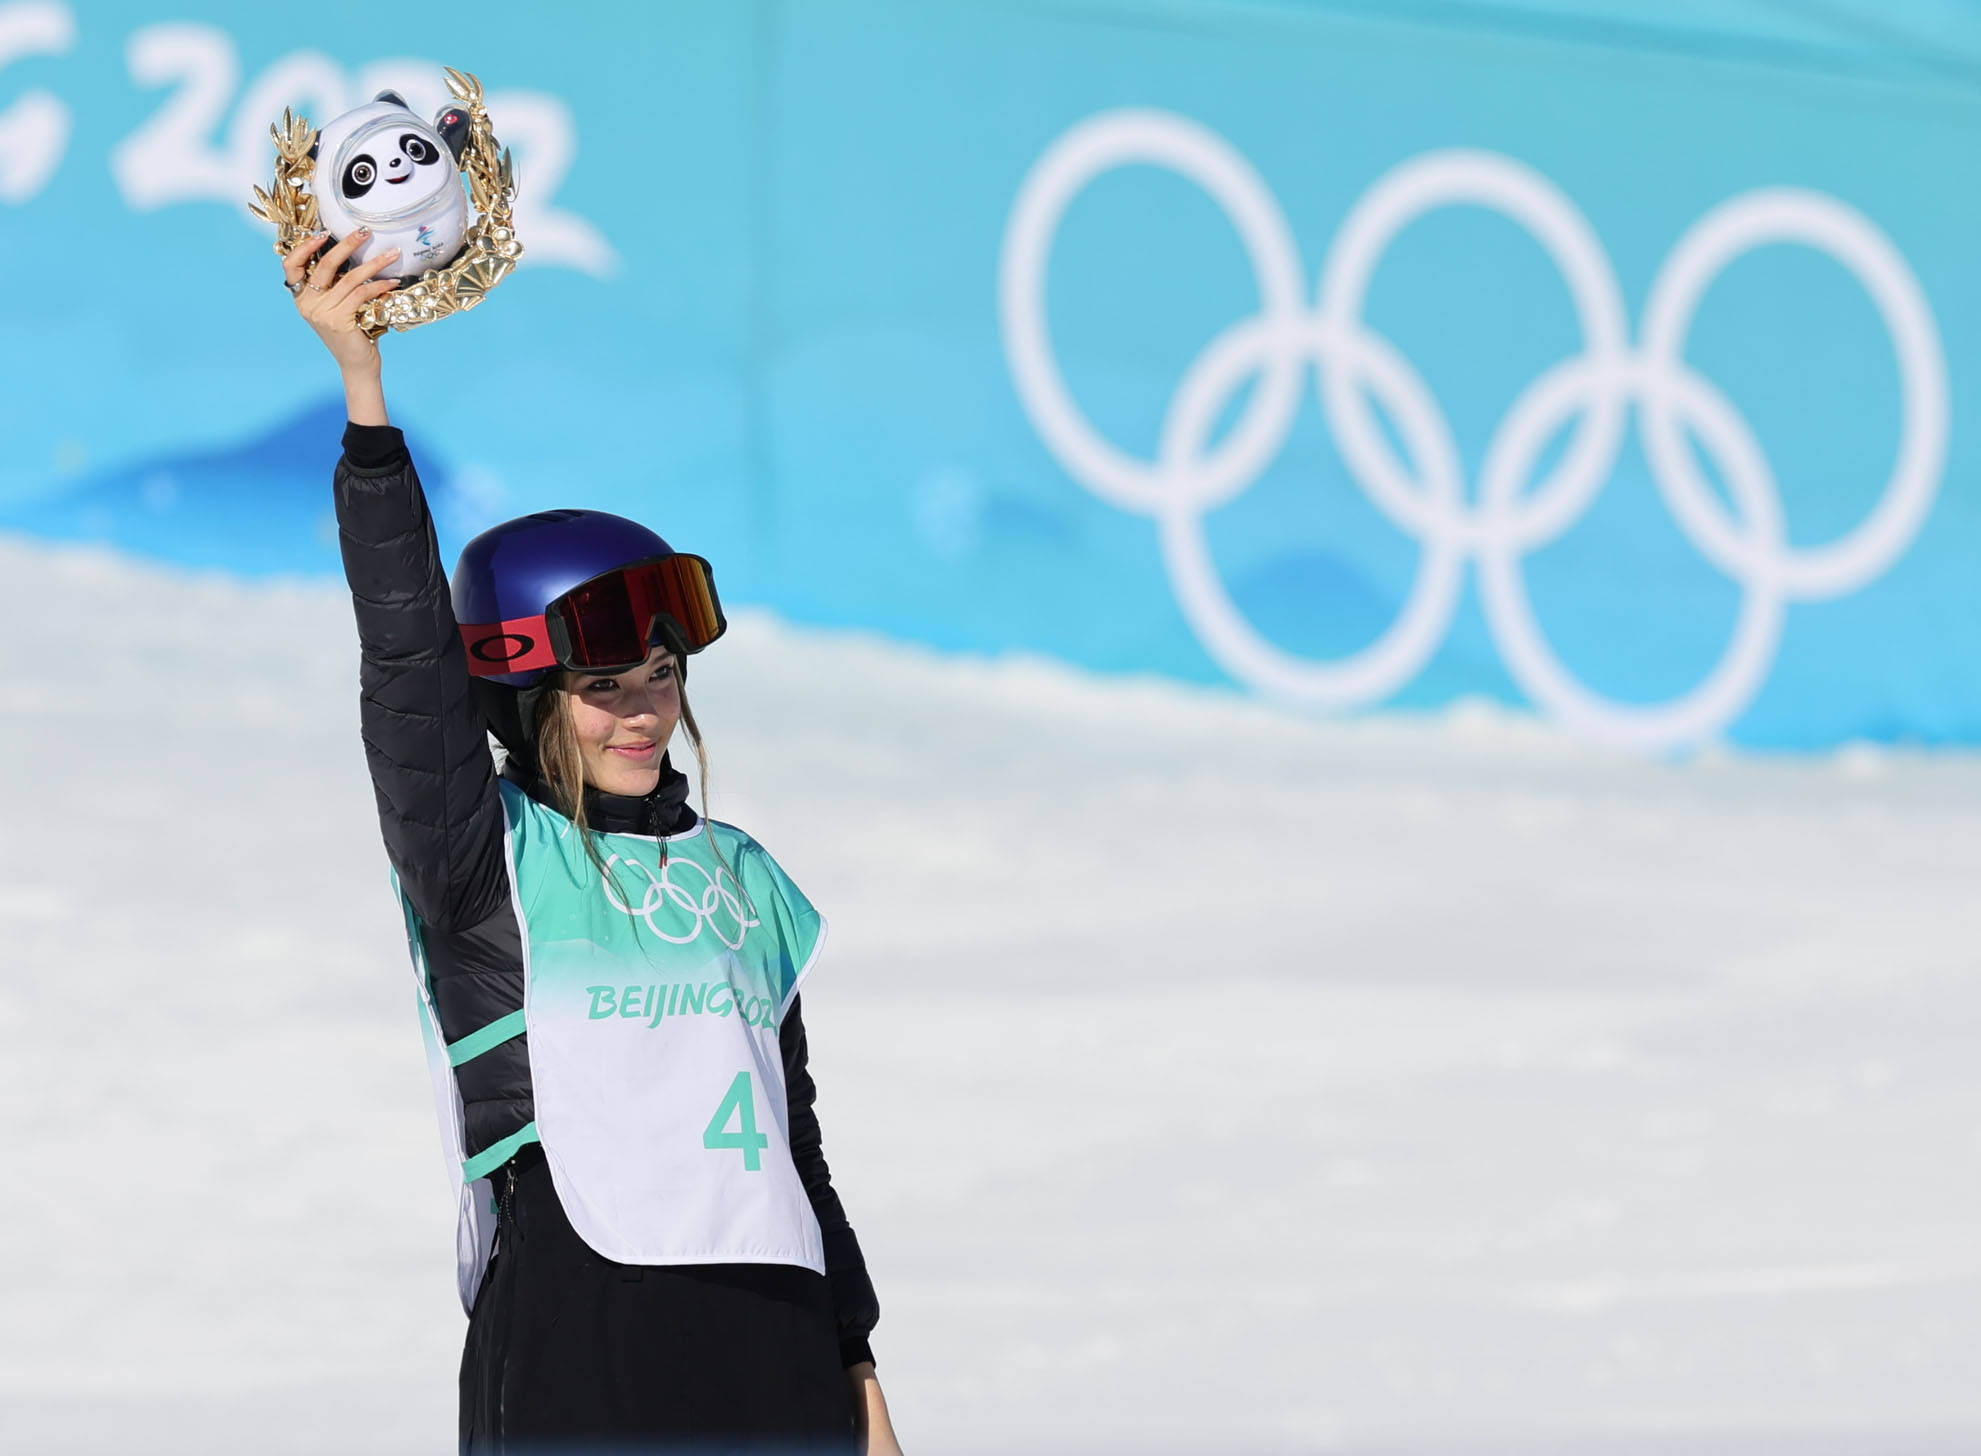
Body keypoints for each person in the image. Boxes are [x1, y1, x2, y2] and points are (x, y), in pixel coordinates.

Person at [285, 227, 904, 1455]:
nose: (643, 709)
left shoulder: (742, 880)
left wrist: (860, 1371)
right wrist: (365, 396)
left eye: (662, 675)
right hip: (583, 1338)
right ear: (526, 696)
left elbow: (796, 1146)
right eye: (603, 684)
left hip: (772, 1343)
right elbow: (407, 657)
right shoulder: (483, 863)